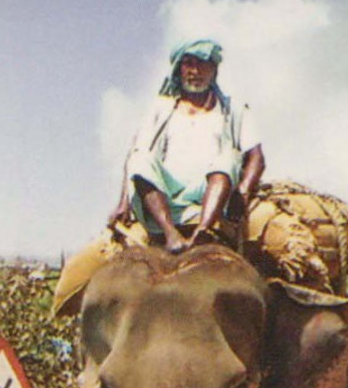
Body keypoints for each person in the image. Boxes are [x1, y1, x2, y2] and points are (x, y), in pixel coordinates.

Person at [110, 38, 265, 252]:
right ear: (178, 69)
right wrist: (124, 202)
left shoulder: (234, 110)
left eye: (202, 64)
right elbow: (135, 156)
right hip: (166, 194)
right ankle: (170, 233)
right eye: (188, 64)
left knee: (227, 157)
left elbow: (256, 157)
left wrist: (244, 190)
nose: (195, 71)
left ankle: (204, 229)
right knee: (140, 158)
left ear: (214, 70)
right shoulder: (160, 108)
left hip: (214, 194)